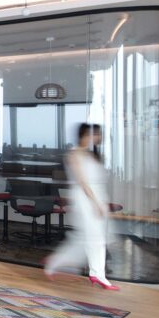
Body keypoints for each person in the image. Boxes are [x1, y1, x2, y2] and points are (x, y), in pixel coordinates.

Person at [45, 123, 119, 290]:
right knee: (95, 238)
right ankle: (97, 274)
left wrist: (101, 201)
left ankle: (56, 262)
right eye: (95, 135)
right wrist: (95, 203)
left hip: (97, 196)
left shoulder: (93, 155)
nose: (98, 138)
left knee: (91, 238)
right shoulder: (74, 154)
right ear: (85, 135)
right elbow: (83, 182)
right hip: (85, 198)